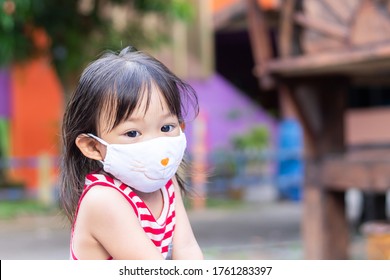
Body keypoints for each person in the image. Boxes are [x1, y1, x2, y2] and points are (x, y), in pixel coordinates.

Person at [59, 46, 204, 260]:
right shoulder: (103, 199)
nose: (155, 144)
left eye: (166, 128)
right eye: (133, 132)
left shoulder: (166, 182)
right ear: (93, 146)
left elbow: (187, 249)